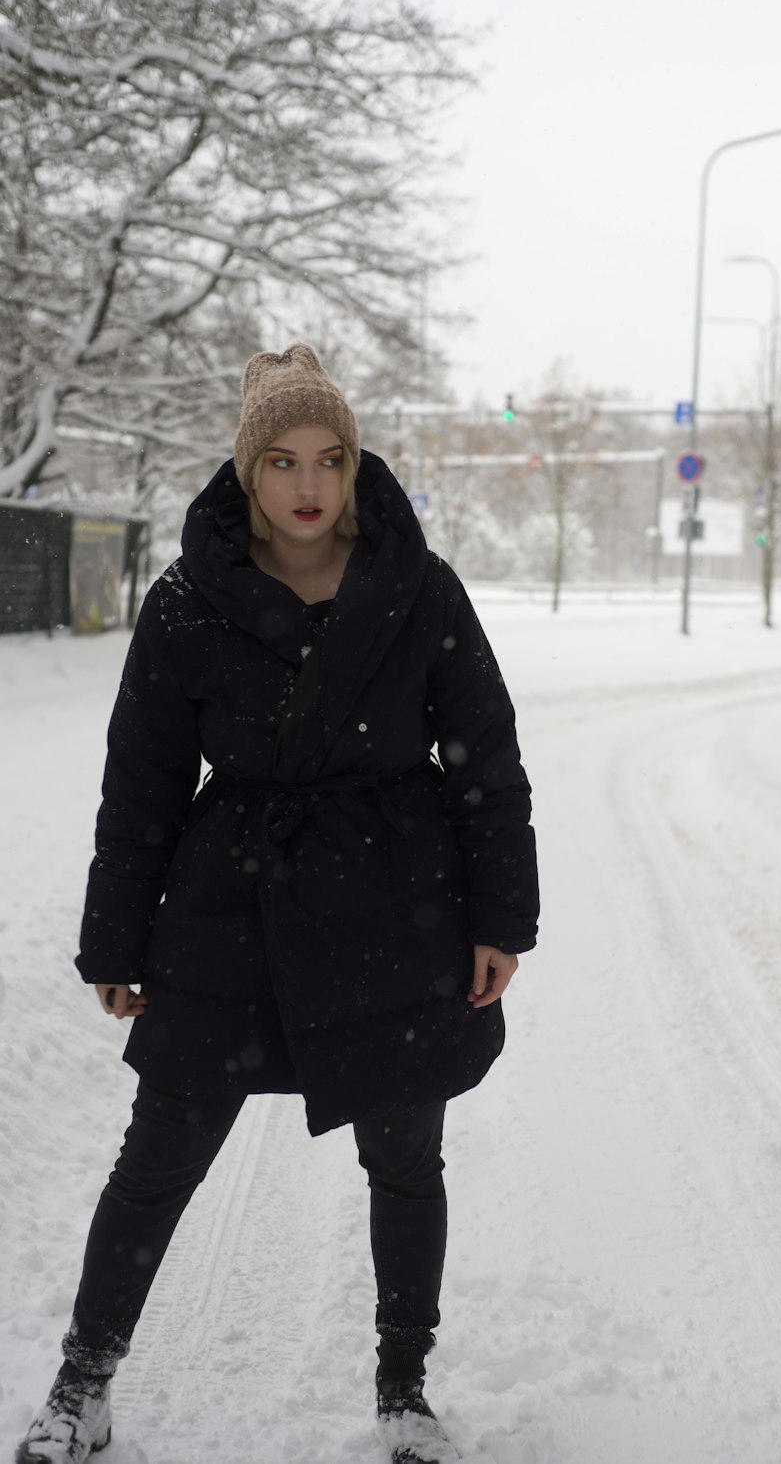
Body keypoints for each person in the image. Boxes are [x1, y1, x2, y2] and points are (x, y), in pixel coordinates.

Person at [16, 344, 539, 1464]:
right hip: (230, 905)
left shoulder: (417, 585)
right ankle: (82, 1387)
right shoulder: (185, 599)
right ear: (246, 471)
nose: (309, 484)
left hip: (399, 902)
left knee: (406, 1160)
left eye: (331, 459)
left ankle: (405, 1393)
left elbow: (484, 759)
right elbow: (143, 782)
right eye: (283, 461)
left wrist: (501, 917)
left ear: (355, 468)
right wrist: (116, 937)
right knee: (159, 1155)